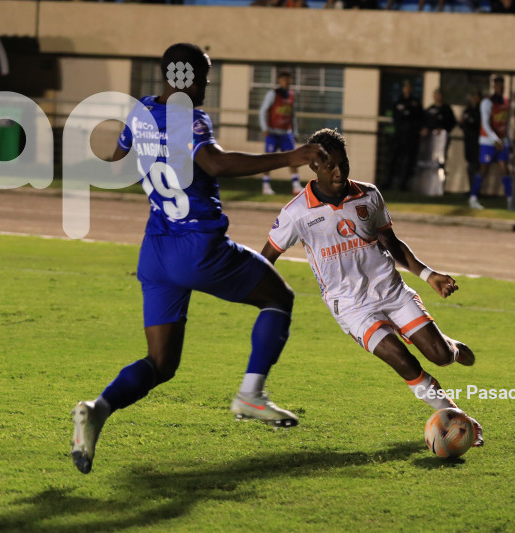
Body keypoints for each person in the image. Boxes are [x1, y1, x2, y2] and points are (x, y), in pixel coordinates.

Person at [70, 43, 327, 474]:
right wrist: (289, 157)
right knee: (279, 297)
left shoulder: (141, 111)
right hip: (199, 247)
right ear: (185, 76)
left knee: (161, 363)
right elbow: (215, 162)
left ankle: (97, 410)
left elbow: (116, 154)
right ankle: (251, 395)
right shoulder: (190, 116)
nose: (208, 83)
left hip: (156, 250)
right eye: (204, 75)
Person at [260, 128, 483, 447]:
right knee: (403, 361)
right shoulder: (296, 212)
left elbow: (392, 243)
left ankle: (452, 347)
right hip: (351, 307)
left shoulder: (368, 195)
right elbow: (266, 257)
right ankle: (455, 416)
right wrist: (258, 292)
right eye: (330, 166)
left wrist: (429, 274)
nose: (339, 172)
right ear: (314, 167)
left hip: (391, 292)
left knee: (440, 356)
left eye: (343, 163)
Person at [469, 75, 512, 210]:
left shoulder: (505, 102)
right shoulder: (487, 102)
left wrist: (507, 140)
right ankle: (473, 197)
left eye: (502, 84)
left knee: (504, 169)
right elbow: (486, 124)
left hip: (501, 141)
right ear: (494, 86)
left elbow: (506, 123)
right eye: (498, 84)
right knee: (484, 168)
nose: (500, 87)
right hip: (488, 141)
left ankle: (510, 200)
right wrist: (495, 139)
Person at [259, 71, 303, 195]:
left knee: (292, 159)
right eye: (283, 79)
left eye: (288, 79)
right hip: (273, 132)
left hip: (286, 133)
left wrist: (295, 131)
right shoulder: (273, 94)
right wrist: (264, 128)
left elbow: (292, 115)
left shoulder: (291, 95)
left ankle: (296, 185)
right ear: (279, 80)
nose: (286, 81)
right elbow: (263, 111)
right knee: (269, 159)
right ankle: (266, 185)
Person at [387, 79, 422, 191]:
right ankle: (389, 182)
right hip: (398, 135)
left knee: (407, 160)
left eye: (409, 87)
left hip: (410, 136)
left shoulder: (415, 103)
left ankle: (403, 184)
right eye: (405, 87)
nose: (407, 90)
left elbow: (418, 118)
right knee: (393, 158)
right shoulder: (398, 101)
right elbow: (395, 116)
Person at [422, 87, 457, 182]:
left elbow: (452, 122)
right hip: (430, 139)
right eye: (435, 95)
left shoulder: (446, 109)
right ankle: (430, 180)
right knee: (430, 159)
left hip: (442, 139)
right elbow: (425, 123)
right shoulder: (430, 109)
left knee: (441, 159)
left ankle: (440, 181)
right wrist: (425, 129)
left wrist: (444, 129)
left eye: (439, 95)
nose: (437, 97)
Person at [459, 90, 482, 195]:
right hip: (468, 140)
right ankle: (471, 188)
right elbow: (462, 125)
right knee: (470, 165)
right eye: (473, 96)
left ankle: (476, 190)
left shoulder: (481, 110)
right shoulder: (467, 110)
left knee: (477, 166)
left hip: (478, 141)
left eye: (476, 96)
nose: (474, 99)